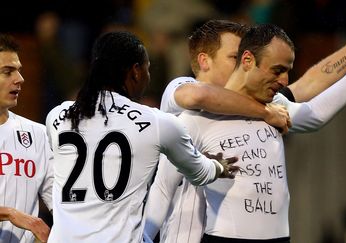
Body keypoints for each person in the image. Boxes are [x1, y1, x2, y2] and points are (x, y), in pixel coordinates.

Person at [143, 5, 346, 242]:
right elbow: (164, 186)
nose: (243, 63)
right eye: (235, 57)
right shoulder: (184, 101)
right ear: (204, 61)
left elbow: (312, 91)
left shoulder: (270, 104)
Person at [44, 31, 239, 243]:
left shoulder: (57, 117)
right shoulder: (157, 123)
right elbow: (200, 173)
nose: (148, 76)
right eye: (147, 68)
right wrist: (219, 166)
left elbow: (55, 176)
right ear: (136, 71)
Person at [0, 34, 53, 242]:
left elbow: (60, 203)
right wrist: (10, 213)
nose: (20, 79)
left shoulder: (37, 134)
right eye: (7, 72)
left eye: (19, 70)